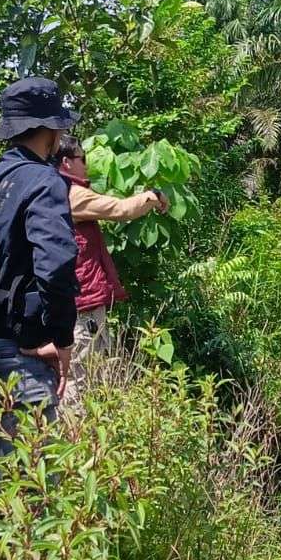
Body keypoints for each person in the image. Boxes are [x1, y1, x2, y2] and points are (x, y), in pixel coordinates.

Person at [0, 76, 80, 503]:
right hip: (18, 354)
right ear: (51, 131)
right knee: (32, 490)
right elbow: (56, 266)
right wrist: (60, 338)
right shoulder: (44, 182)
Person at [54, 132, 167, 406]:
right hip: (82, 305)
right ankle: (73, 431)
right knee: (80, 381)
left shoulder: (52, 189)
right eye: (83, 159)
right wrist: (153, 196)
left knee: (81, 377)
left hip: (71, 301)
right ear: (67, 162)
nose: (87, 165)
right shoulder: (71, 193)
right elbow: (121, 209)